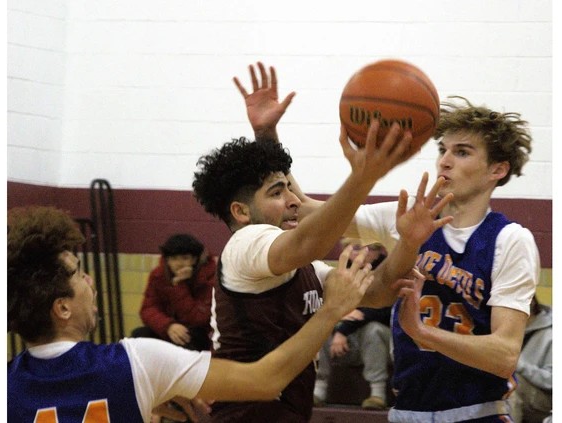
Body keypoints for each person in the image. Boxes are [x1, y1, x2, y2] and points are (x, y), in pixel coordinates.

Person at [191, 62, 453, 422]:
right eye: (277, 192)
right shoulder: (244, 247)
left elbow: (379, 291)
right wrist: (363, 177)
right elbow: (306, 243)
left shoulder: (304, 268)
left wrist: (407, 243)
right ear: (240, 211)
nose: (295, 200)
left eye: (288, 189)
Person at [7, 205, 378, 423]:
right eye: (76, 272)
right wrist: (331, 311)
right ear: (62, 307)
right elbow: (266, 380)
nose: (88, 278)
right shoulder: (135, 360)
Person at [344, 97, 541, 422]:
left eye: (461, 152)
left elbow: (504, 355)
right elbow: (308, 216)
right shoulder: (408, 217)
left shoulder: (509, 239)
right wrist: (269, 139)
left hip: (476, 413)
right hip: (407, 412)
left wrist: (422, 332)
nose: (444, 162)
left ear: (498, 169)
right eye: (443, 150)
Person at [314, 242, 393, 410]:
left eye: (360, 248)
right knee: (320, 328)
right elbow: (329, 305)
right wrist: (340, 318)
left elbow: (384, 310)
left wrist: (344, 328)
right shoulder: (340, 272)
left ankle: (377, 393)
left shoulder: (389, 269)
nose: (355, 255)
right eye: (352, 249)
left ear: (378, 250)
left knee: (374, 329)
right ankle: (319, 389)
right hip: (346, 340)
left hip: (381, 341)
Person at [132, 233, 215, 351]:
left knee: (190, 338)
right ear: (167, 260)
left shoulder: (208, 278)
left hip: (198, 333)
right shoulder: (159, 275)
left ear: (195, 259)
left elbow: (199, 318)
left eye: (185, 258)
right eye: (174, 259)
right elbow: (148, 309)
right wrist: (168, 326)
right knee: (139, 336)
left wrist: (179, 286)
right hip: (169, 328)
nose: (179, 263)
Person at [509, 295, 552, 423]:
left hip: (545, 403)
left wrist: (520, 365)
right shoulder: (510, 329)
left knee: (511, 384)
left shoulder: (552, 333)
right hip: (523, 397)